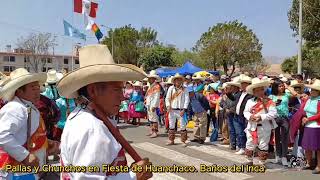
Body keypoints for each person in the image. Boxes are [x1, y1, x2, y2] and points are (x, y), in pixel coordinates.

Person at [58, 44, 152, 179]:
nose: (122, 96)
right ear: (92, 91)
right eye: (116, 90)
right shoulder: (92, 127)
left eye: (122, 89)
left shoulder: (83, 114)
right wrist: (133, 176)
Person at [0, 68, 59, 179]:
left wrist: (46, 143)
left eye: (38, 87)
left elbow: (27, 135)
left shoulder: (26, 106)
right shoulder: (15, 108)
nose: (37, 91)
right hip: (17, 172)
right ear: (19, 91)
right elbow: (2, 135)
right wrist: (25, 156)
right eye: (32, 88)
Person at [243, 78, 278, 167]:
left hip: (264, 126)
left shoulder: (269, 101)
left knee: (263, 144)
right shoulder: (249, 101)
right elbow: (245, 112)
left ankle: (262, 162)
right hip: (252, 126)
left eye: (261, 89)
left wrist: (261, 117)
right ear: (253, 92)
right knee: (250, 143)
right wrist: (250, 116)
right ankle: (249, 160)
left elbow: (273, 114)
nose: (259, 92)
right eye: (257, 90)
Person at [269, 79, 298, 166]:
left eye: (282, 86)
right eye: (280, 86)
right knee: (277, 137)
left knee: (285, 137)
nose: (281, 87)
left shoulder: (286, 95)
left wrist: (288, 86)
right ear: (275, 87)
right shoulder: (271, 96)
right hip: (275, 118)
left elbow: (295, 94)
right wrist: (274, 104)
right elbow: (268, 106)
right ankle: (278, 156)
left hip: (285, 118)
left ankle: (284, 156)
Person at [300, 79, 320, 174]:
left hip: (316, 126)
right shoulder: (309, 99)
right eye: (311, 90)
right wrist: (304, 117)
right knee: (307, 146)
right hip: (307, 125)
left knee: (318, 147)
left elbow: (319, 114)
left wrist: (309, 119)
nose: (312, 92)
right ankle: (309, 163)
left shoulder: (319, 100)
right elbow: (304, 110)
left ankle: (319, 166)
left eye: (315, 90)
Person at [165, 73, 190, 146]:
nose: (178, 81)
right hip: (172, 110)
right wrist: (168, 106)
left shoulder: (184, 89)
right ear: (174, 81)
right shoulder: (171, 88)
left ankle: (183, 141)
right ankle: (171, 140)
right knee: (171, 125)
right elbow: (167, 98)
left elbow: (187, 99)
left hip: (181, 110)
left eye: (179, 80)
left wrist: (184, 109)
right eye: (176, 80)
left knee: (183, 125)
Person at [234, 74, 253, 155]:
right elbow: (234, 99)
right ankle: (241, 146)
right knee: (239, 132)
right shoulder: (240, 93)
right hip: (237, 115)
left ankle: (244, 147)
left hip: (244, 116)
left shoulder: (250, 95)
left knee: (244, 133)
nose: (241, 85)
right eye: (241, 83)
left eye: (243, 83)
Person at [225, 77, 241, 150]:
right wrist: (226, 108)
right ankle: (233, 144)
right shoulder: (230, 94)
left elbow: (237, 104)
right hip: (229, 114)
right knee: (231, 130)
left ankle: (238, 144)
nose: (231, 87)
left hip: (234, 114)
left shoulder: (239, 94)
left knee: (237, 130)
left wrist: (230, 110)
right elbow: (224, 102)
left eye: (233, 86)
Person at [145, 70, 161, 138]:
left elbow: (157, 97)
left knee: (154, 118)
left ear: (154, 79)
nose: (149, 79)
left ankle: (155, 131)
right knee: (150, 118)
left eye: (150, 78)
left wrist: (154, 105)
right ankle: (152, 130)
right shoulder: (150, 86)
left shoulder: (157, 86)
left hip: (152, 104)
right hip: (149, 103)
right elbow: (148, 95)